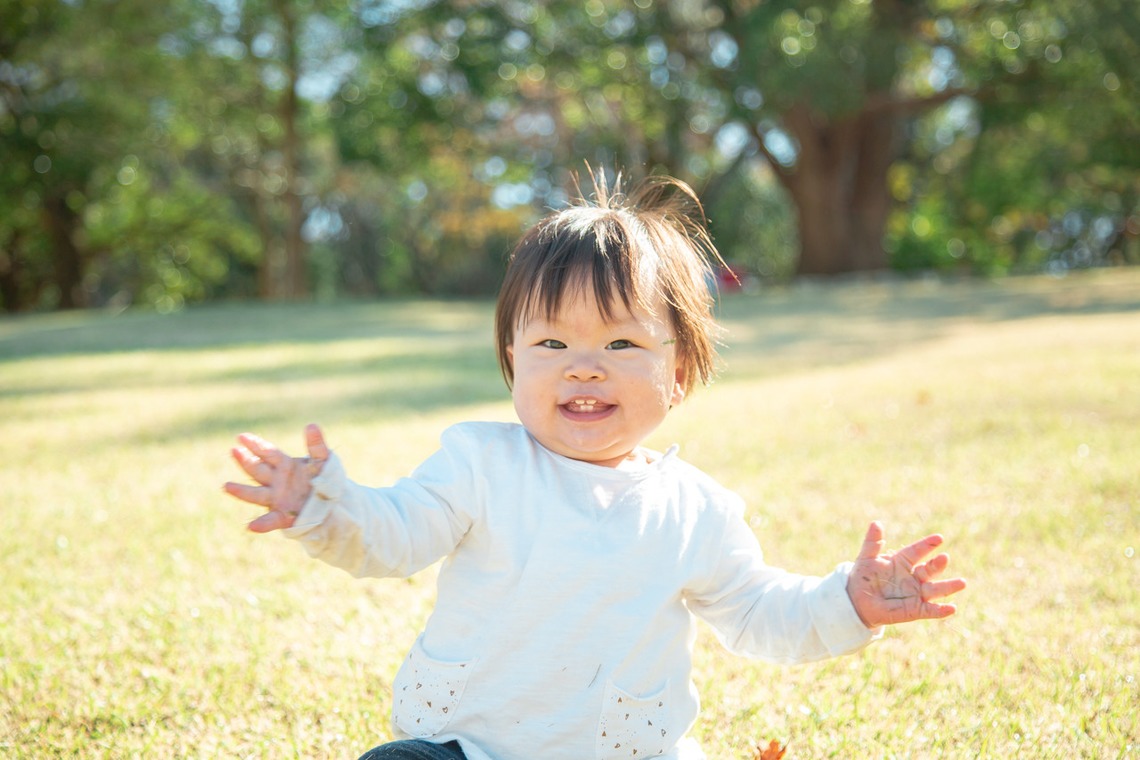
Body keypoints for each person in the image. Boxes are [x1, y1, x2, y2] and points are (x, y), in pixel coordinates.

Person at [224, 171, 966, 760]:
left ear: (679, 375)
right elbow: (393, 536)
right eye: (551, 346)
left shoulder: (696, 510)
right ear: (512, 362)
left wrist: (848, 602)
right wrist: (326, 505)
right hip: (468, 748)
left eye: (619, 346)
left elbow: (759, 615)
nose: (583, 369)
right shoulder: (480, 463)